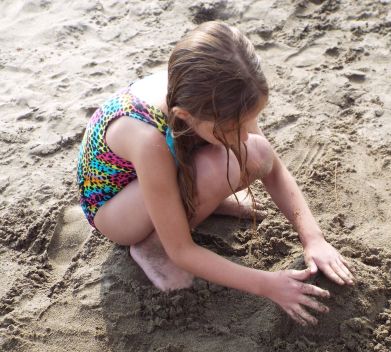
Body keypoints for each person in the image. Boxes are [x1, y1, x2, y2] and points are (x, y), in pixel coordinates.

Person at [77, 21, 354, 326]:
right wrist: (268, 284)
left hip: (162, 173)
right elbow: (182, 250)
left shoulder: (222, 94)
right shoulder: (147, 138)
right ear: (185, 116)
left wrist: (313, 238)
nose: (243, 136)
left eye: (248, 122)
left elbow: (272, 166)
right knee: (218, 169)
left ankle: (197, 202)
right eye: (231, 129)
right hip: (116, 208)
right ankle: (152, 247)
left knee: (257, 152)